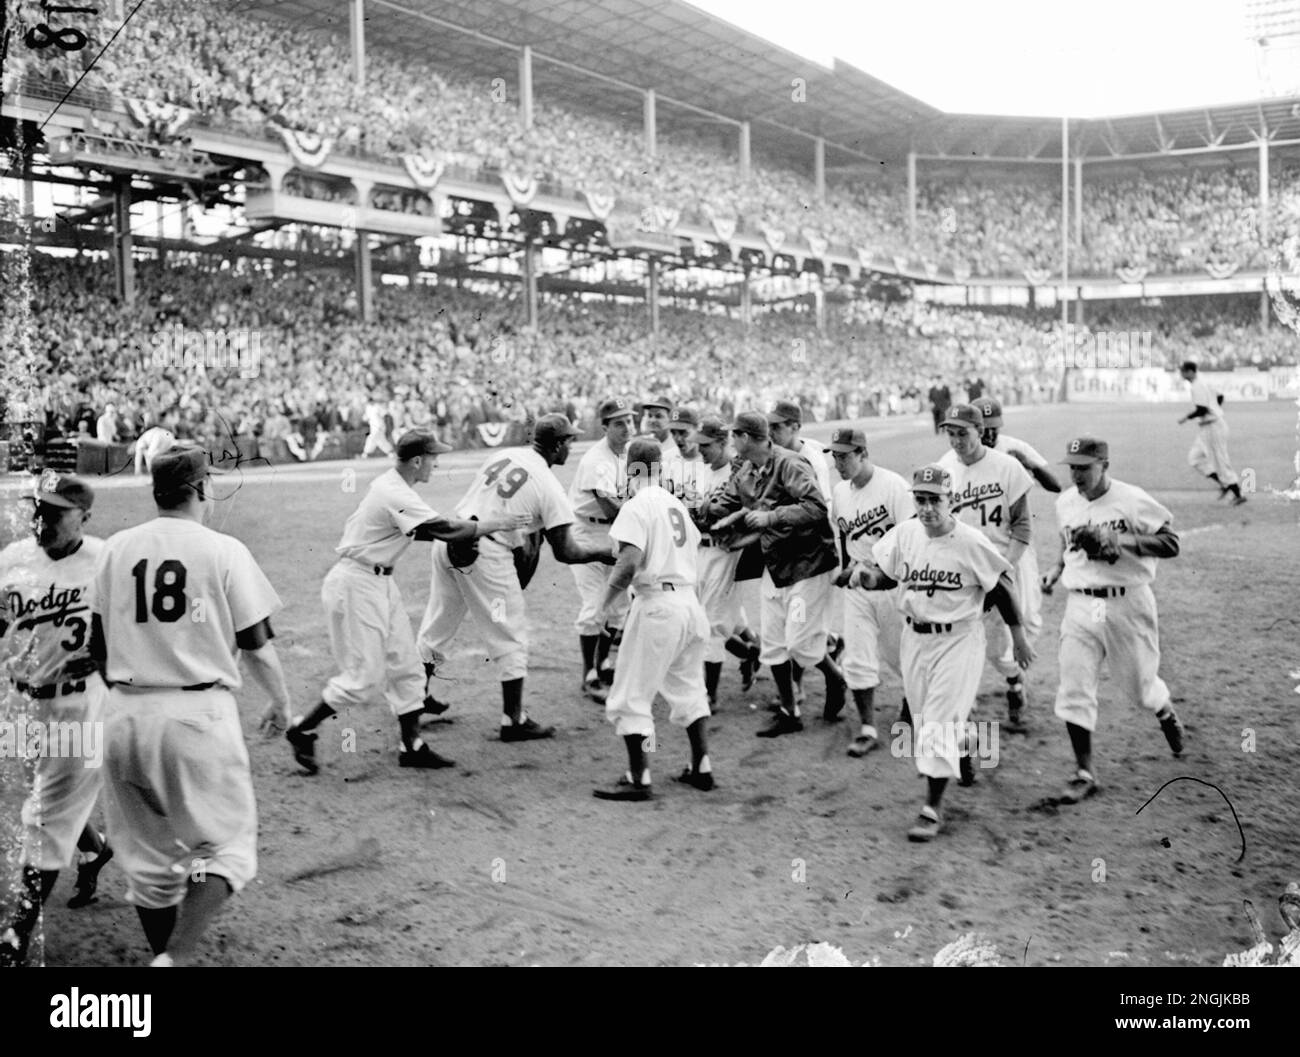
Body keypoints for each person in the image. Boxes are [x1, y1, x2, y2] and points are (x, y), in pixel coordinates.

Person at [89, 444, 295, 966]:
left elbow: (95, 645)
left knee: (149, 863)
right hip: (197, 716)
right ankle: (175, 958)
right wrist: (281, 703)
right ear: (202, 488)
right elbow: (256, 647)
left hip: (122, 714)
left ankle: (163, 952)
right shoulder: (223, 549)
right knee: (225, 849)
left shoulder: (115, 548)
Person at [286, 430, 527, 774]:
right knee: (363, 679)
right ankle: (302, 729)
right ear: (417, 461)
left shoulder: (397, 488)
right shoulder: (392, 490)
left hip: (379, 583)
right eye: (433, 457)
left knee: (407, 665)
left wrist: (471, 529)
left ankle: (411, 745)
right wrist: (493, 524)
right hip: (356, 584)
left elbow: (429, 530)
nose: (436, 463)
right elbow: (443, 528)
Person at [417, 414, 616, 743]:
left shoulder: (503, 455)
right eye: (567, 440)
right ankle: (514, 720)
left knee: (437, 626)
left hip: (452, 537)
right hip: (486, 551)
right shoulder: (550, 486)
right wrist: (601, 553)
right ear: (555, 445)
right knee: (511, 635)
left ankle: (413, 698)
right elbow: (566, 552)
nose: (571, 446)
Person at [864, 464, 1033, 842]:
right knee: (928, 724)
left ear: (951, 501)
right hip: (915, 637)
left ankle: (932, 809)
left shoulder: (969, 542)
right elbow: (887, 574)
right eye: (920, 500)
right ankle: (971, 742)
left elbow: (1002, 588)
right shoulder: (906, 533)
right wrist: (867, 577)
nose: (926, 508)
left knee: (937, 724)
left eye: (934, 500)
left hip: (959, 639)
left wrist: (1018, 638)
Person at [0, 475, 114, 967]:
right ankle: (96, 849)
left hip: (79, 704)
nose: (41, 520)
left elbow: (133, 623)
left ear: (84, 517)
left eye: (56, 513)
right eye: (38, 510)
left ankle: (15, 937)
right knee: (40, 792)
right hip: (20, 701)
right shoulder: (12, 559)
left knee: (43, 816)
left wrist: (110, 659)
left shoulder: (107, 560)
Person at [1040, 436, 1184, 805]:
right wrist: (1056, 569)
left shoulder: (1132, 499)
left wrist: (1123, 542)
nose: (1077, 474)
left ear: (1105, 465)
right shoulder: (1065, 503)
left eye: (1084, 467)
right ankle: (1084, 771)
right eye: (1072, 467)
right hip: (1082, 604)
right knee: (1074, 686)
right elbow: (1067, 542)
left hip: (1127, 603)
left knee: (1139, 687)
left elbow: (1171, 543)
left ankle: (1163, 707)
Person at [697, 411, 845, 737]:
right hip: (775, 564)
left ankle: (836, 678)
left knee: (800, 643)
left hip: (808, 563)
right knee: (774, 644)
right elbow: (725, 502)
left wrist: (771, 518)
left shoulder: (790, 464)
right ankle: (789, 712)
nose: (731, 442)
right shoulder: (747, 470)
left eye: (735, 435)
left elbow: (817, 508)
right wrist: (704, 509)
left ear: (747, 438)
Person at [591, 439, 714, 801]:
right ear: (660, 469)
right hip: (690, 604)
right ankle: (701, 767)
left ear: (631, 470)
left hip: (658, 605)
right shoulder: (676, 505)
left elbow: (628, 562)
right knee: (690, 689)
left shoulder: (636, 505)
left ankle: (639, 777)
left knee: (631, 696)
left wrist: (603, 604)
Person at [938, 404, 1038, 733]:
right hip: (963, 571)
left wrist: (1002, 568)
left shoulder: (1007, 467)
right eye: (950, 433)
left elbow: (1022, 527)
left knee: (999, 650)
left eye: (962, 433)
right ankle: (963, 720)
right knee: (959, 643)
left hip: (1004, 562)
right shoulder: (943, 469)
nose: (956, 440)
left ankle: (1013, 680)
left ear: (980, 431)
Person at [824, 428, 911, 758]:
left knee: (901, 655)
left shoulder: (894, 487)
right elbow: (845, 539)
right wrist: (847, 570)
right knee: (858, 658)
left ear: (862, 453)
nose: (838, 463)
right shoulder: (840, 492)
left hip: (892, 583)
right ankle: (867, 728)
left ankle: (910, 702)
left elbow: (910, 539)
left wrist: (881, 571)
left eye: (844, 456)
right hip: (858, 585)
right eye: (834, 456)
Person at [767, 399, 838, 707]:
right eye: (768, 426)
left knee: (797, 633)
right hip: (787, 553)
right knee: (787, 629)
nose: (771, 432)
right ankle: (797, 689)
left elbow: (815, 511)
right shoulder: (782, 454)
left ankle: (834, 676)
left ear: (795, 427)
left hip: (811, 554)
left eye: (777, 427)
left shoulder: (809, 461)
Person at [688, 418, 760, 710]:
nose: (700, 449)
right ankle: (749, 652)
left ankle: (710, 695)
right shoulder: (702, 471)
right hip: (700, 550)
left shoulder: (739, 472)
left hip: (727, 552)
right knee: (700, 616)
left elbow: (751, 512)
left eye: (706, 445)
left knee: (713, 623)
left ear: (722, 443)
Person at [567, 397, 635, 703]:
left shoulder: (627, 454)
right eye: (619, 423)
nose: (626, 427)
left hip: (613, 532)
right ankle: (589, 677)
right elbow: (610, 509)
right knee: (595, 606)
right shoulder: (597, 460)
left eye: (629, 421)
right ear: (605, 427)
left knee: (619, 606)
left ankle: (604, 663)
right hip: (588, 533)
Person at [1177, 361, 1245, 505]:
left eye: (1183, 371)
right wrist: (1216, 408)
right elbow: (1220, 396)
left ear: (1190, 372)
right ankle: (1224, 484)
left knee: (1220, 461)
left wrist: (1185, 418)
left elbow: (1202, 409)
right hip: (1207, 427)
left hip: (1213, 427)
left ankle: (1238, 494)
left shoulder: (1197, 385)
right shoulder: (1203, 382)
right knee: (1195, 458)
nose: (1181, 374)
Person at [975, 397, 1061, 493]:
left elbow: (1056, 486)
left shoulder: (1015, 446)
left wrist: (1030, 464)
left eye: (994, 428)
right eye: (985, 430)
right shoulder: (961, 451)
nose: (990, 434)